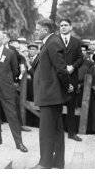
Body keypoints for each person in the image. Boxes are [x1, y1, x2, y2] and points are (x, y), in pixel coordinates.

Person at [32, 19, 70, 169]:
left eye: (38, 28)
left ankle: (45, 163)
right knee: (56, 130)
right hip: (51, 94)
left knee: (47, 131)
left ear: (46, 29)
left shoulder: (53, 42)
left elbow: (61, 68)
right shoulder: (50, 42)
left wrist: (67, 87)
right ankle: (58, 162)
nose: (36, 31)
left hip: (50, 95)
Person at [0, 30, 28, 152]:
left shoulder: (10, 53)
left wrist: (7, 81)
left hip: (7, 90)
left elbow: (15, 71)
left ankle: (19, 143)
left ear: (2, 39)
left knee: (12, 116)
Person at [58, 19, 83, 141]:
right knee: (56, 105)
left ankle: (72, 133)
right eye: (61, 25)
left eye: (65, 25)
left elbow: (80, 58)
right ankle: (56, 132)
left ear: (70, 27)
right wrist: (63, 68)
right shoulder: (55, 40)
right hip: (58, 78)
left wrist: (73, 66)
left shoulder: (76, 42)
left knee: (71, 106)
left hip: (72, 77)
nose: (63, 27)